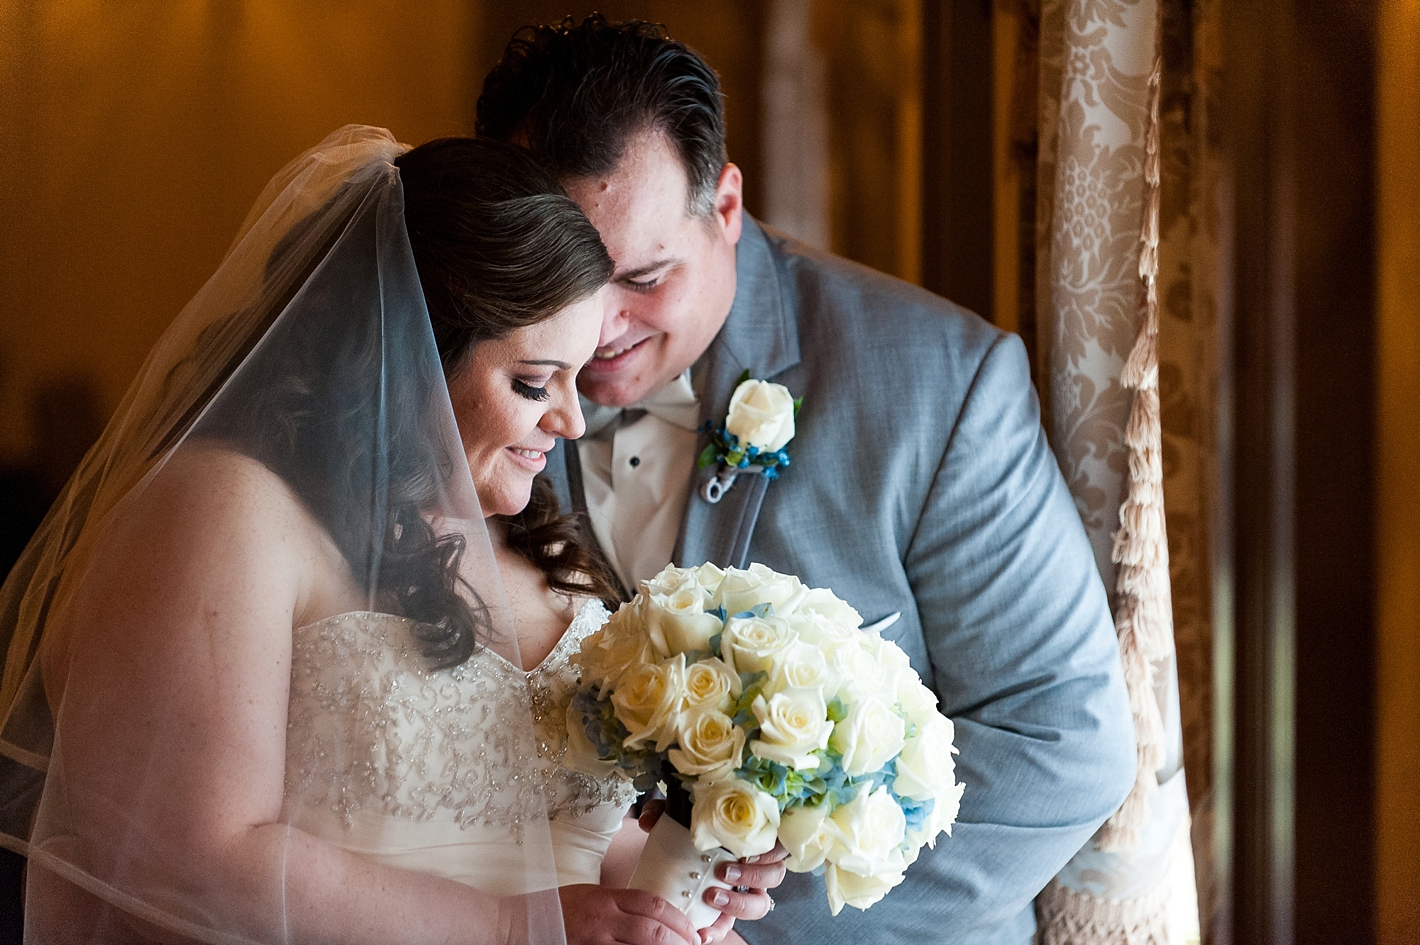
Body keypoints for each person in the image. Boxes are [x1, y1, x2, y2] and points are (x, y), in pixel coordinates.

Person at [0, 126, 782, 945]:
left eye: (576, 378)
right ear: (404, 349)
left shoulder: (542, 553)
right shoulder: (224, 509)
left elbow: (573, 841)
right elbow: (179, 854)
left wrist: (689, 870)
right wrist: (514, 932)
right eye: (530, 381)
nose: (572, 420)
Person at [475, 16, 1138, 944]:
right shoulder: (458, 388)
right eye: (562, 281)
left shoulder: (941, 388)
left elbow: (1062, 746)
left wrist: (719, 923)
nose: (598, 326)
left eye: (645, 277)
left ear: (729, 206)